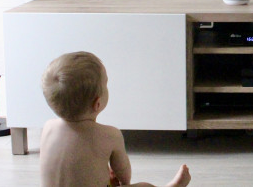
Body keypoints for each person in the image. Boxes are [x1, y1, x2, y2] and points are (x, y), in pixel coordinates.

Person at [40, 51, 190, 187]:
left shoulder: (48, 128)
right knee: (144, 186)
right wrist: (123, 183)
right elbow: (124, 174)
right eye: (106, 84)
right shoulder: (110, 135)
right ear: (97, 103)